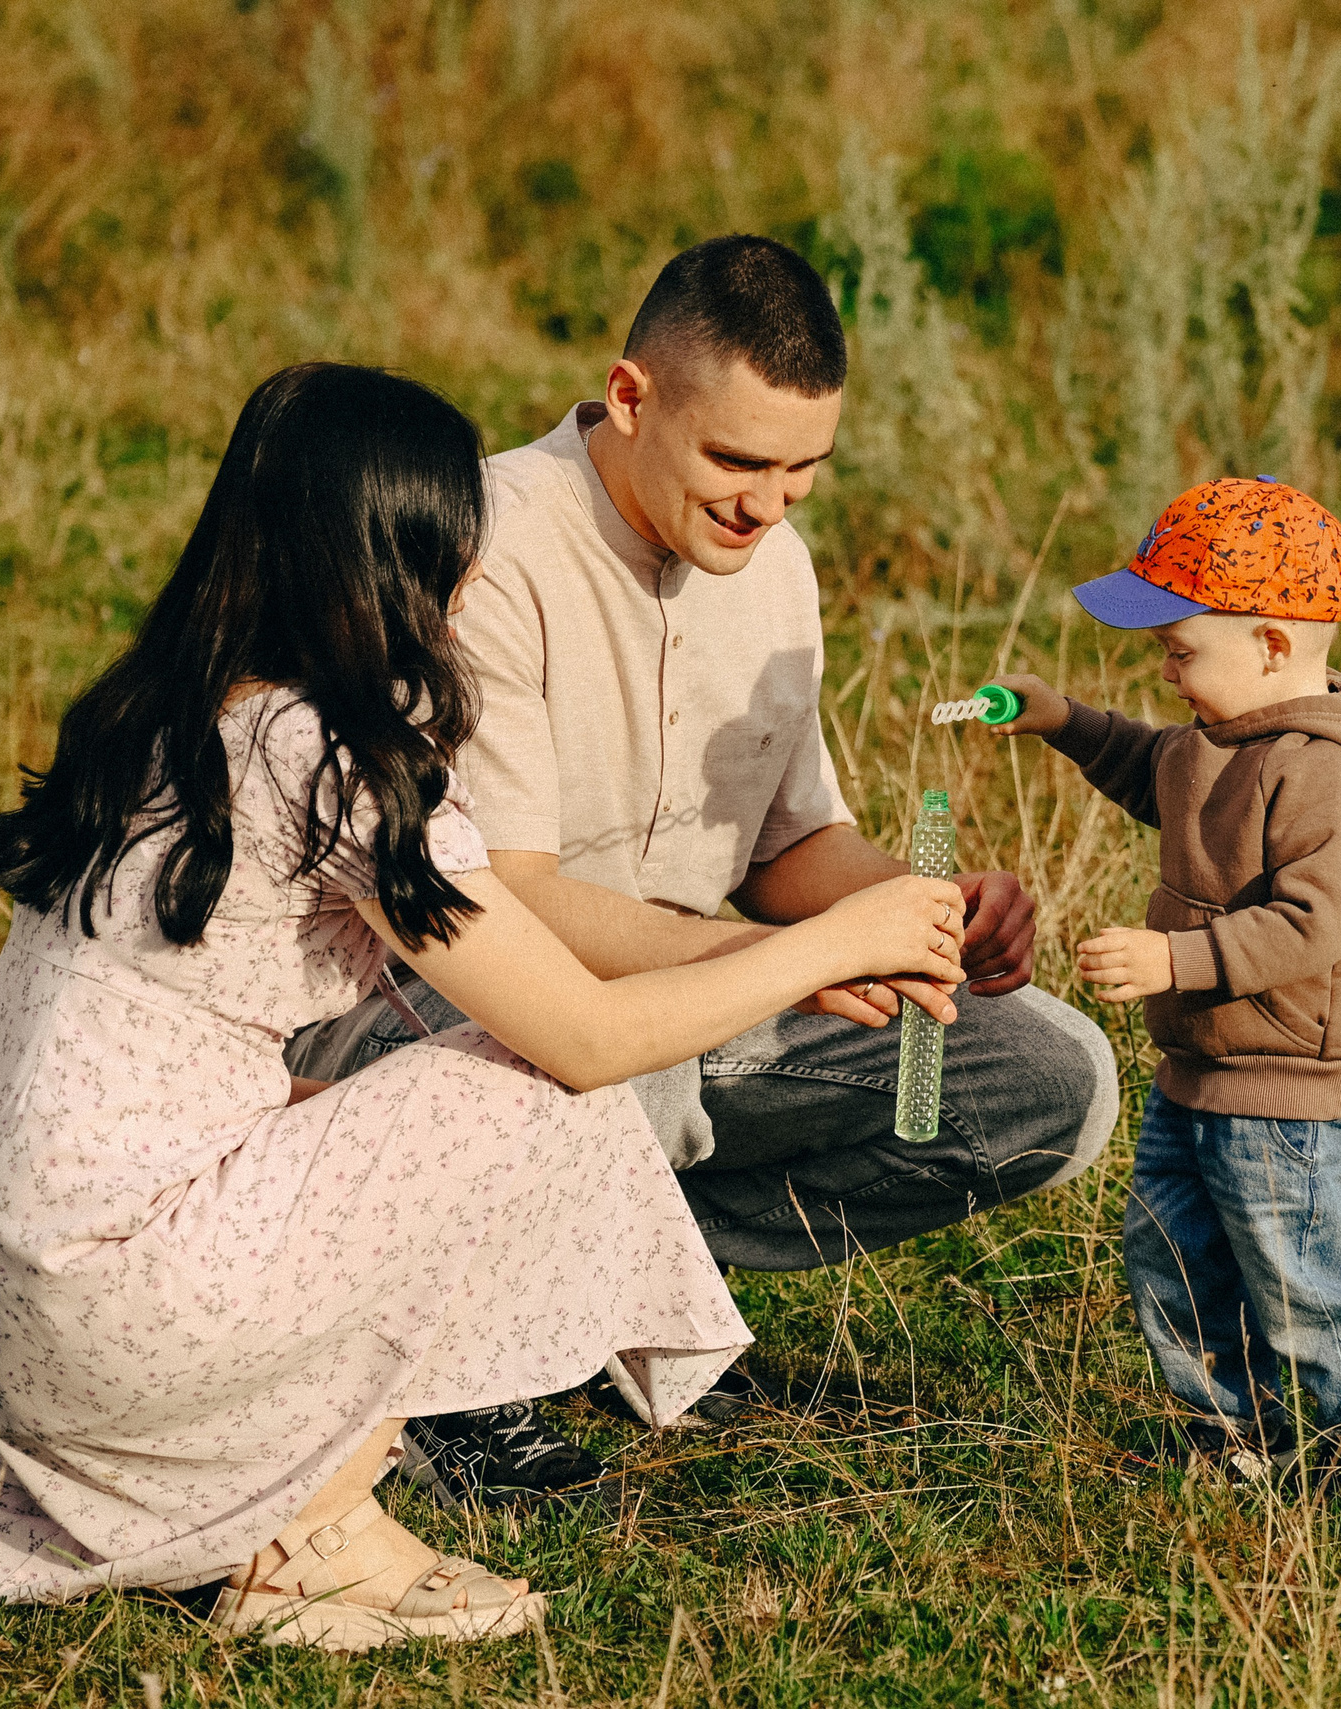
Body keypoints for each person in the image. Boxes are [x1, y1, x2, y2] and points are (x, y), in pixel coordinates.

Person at [0, 362, 969, 1651]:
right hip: (117, 1294)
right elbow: (582, 1035)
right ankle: (316, 1533)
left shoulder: (174, 707)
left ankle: (257, 1489)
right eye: (455, 552)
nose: (470, 584)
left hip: (10, 1305)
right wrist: (825, 944)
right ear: (395, 563)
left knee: (428, 1096)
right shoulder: (330, 757)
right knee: (519, 1089)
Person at [287, 235, 1118, 1503]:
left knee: (1048, 1075)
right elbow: (504, 896)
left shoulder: (774, 564)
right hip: (468, 1011)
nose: (766, 502)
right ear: (629, 397)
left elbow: (788, 849)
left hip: (688, 1011)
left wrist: (919, 909)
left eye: (802, 472)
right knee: (628, 1046)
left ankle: (617, 1294)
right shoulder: (485, 542)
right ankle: (458, 1361)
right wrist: (796, 958)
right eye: (736, 460)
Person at [973, 477, 1341, 1479]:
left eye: (1179, 645)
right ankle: (1231, 1431)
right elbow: (1156, 767)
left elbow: (1314, 923)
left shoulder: (1327, 773)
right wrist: (1062, 718)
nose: (1165, 668)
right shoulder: (1222, 740)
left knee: (1299, 1274)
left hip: (1293, 1090)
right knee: (1174, 1256)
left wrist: (1176, 959)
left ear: (1273, 645)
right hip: (1197, 1069)